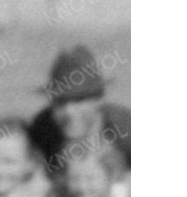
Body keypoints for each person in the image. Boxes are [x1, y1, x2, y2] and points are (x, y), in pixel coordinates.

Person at [23, 43, 131, 181]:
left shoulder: (124, 128)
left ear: (99, 100)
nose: (69, 112)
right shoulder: (43, 130)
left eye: (79, 100)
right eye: (60, 102)